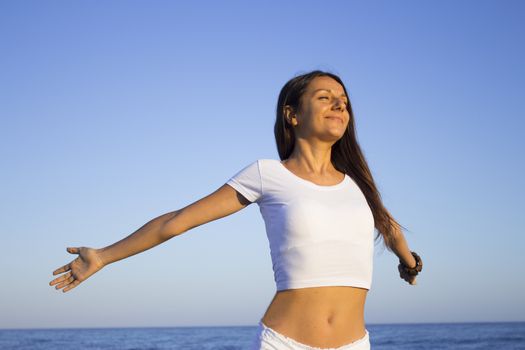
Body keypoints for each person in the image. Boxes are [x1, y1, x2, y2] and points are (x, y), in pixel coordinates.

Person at [49, 70, 423, 350]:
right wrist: (102, 256)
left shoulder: (359, 185)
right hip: (287, 343)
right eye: (325, 97)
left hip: (355, 344)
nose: (339, 103)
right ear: (292, 115)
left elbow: (390, 229)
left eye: (343, 99)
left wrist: (409, 263)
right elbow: (176, 221)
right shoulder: (268, 174)